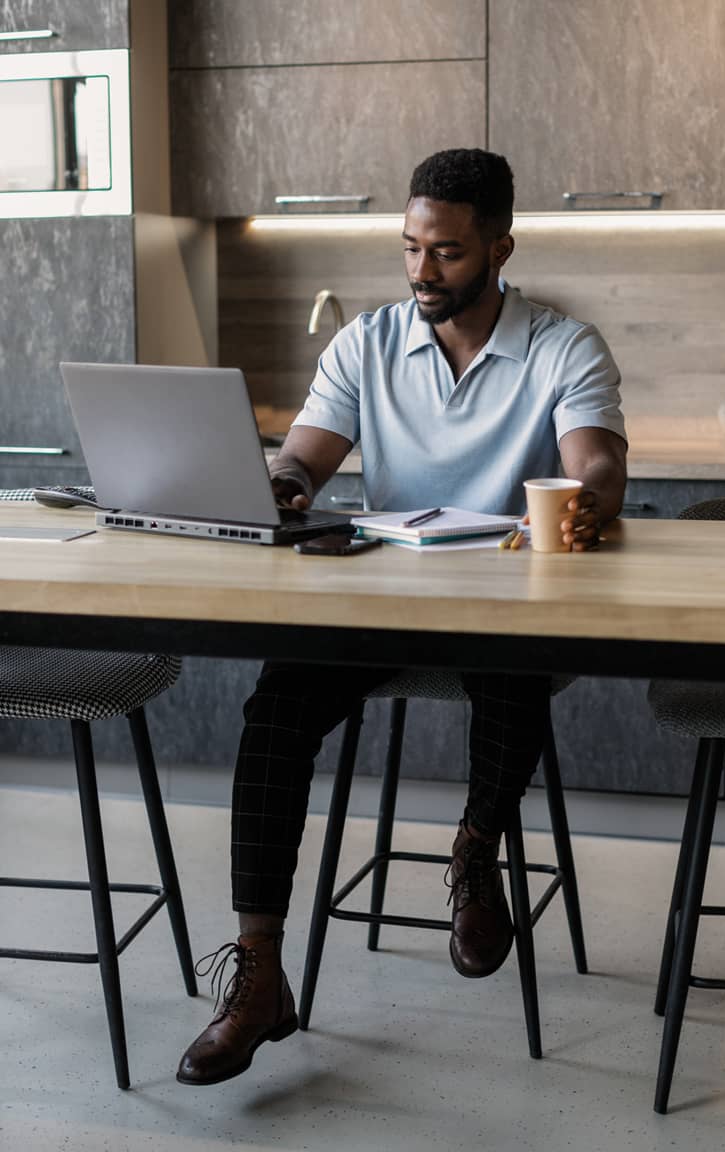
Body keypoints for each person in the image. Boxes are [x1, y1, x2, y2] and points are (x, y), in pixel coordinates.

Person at [177, 148, 627, 1087]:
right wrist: (286, 485)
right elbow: (305, 454)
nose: (423, 272)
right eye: (412, 248)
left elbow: (594, 464)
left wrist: (591, 497)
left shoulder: (563, 346)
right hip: (384, 596)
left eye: (449, 254)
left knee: (513, 672)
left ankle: (472, 849)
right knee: (276, 709)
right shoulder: (367, 343)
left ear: (501, 247)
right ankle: (259, 972)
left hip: (510, 602)